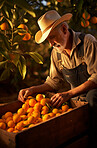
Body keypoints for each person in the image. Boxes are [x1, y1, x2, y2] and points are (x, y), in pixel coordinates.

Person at [18, 10, 97, 147]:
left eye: (52, 38)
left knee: (92, 97)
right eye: (48, 40)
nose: (50, 44)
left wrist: (69, 93)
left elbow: (96, 77)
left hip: (93, 97)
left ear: (64, 29)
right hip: (76, 101)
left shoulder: (87, 42)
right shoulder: (56, 53)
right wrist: (33, 89)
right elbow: (54, 81)